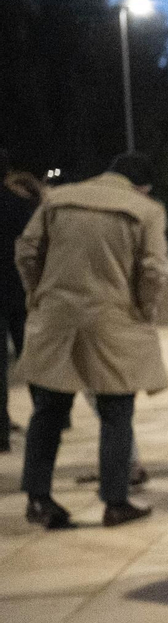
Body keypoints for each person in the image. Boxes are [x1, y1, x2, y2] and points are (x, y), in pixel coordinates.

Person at [17, 152, 168, 528]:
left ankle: (38, 499)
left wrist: (38, 296)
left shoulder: (57, 198)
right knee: (117, 411)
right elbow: (152, 270)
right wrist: (143, 312)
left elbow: (26, 251)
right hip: (113, 318)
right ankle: (115, 502)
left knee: (48, 410)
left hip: (56, 317)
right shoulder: (146, 210)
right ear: (142, 186)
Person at [0, 153, 42, 452]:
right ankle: (48, 420)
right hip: (19, 293)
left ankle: (1, 433)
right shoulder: (21, 205)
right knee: (32, 360)